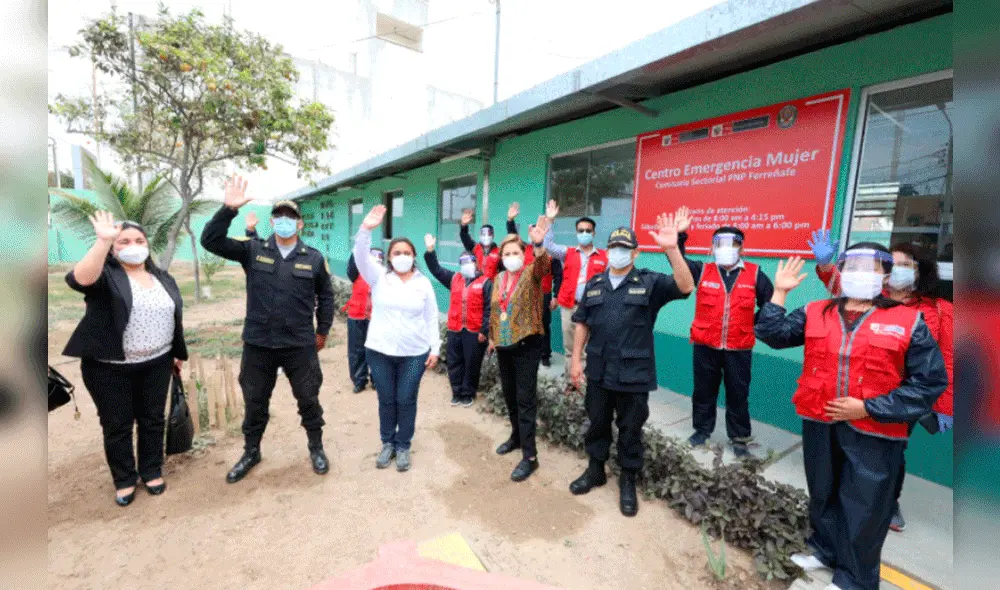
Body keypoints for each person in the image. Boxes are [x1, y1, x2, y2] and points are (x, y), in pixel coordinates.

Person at [754, 245, 947, 590]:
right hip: (820, 420)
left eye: (869, 266)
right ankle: (825, 550)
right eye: (852, 265)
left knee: (866, 505)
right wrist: (780, 292)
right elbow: (772, 334)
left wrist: (869, 407)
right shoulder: (817, 311)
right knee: (823, 492)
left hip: (875, 430)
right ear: (842, 271)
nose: (860, 272)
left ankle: (855, 579)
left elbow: (929, 382)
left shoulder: (908, 320)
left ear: (884, 275)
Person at [808, 230, 953, 532]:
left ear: (919, 270)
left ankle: (889, 502)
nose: (898, 269)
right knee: (859, 454)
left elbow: (947, 359)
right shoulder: (875, 299)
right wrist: (825, 266)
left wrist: (945, 404)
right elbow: (839, 289)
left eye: (906, 264)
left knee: (891, 452)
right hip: (867, 389)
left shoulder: (938, 309)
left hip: (905, 396)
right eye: (894, 262)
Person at [201, 175, 336, 483]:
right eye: (279, 217)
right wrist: (227, 210)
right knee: (256, 401)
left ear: (300, 224)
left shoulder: (313, 258)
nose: (284, 221)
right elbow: (210, 241)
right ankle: (251, 451)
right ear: (272, 222)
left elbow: (326, 297)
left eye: (291, 217)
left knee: (308, 398)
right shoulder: (253, 250)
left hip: (299, 344)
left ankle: (316, 447)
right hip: (259, 343)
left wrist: (323, 331)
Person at [568, 217, 694, 516]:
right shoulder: (595, 284)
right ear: (607, 249)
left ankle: (627, 481)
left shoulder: (649, 282)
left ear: (635, 253)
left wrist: (673, 250)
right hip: (598, 369)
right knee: (597, 423)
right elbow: (582, 322)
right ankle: (595, 470)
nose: (618, 252)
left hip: (633, 375)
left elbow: (686, 286)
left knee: (630, 429)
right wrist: (575, 359)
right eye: (613, 246)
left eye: (624, 248)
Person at [62, 212, 188, 506]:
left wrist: (175, 353)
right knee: (117, 425)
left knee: (153, 419)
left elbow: (173, 316)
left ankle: (152, 470)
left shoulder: (161, 277)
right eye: (125, 241)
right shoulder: (105, 276)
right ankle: (124, 479)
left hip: (157, 363)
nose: (133, 245)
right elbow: (79, 280)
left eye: (139, 240)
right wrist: (103, 242)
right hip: (109, 369)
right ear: (114, 248)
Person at [672, 207, 775, 457]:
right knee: (703, 390)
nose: (726, 248)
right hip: (705, 344)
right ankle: (701, 430)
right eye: (721, 243)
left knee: (738, 394)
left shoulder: (755, 273)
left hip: (739, 347)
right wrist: (680, 237)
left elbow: (771, 303)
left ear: (741, 247)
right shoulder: (703, 270)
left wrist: (754, 326)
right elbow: (679, 264)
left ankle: (739, 438)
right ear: (713, 246)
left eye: (733, 243)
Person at [353, 205, 441, 472]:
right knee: (386, 399)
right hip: (379, 351)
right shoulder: (379, 277)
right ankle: (387, 443)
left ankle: (403, 445)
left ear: (414, 256)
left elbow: (431, 317)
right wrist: (365, 230)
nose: (401, 256)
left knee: (406, 398)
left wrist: (435, 348)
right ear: (389, 257)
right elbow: (360, 256)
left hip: (414, 353)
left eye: (406, 252)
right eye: (396, 253)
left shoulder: (423, 283)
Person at [488, 218, 552, 482]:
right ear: (501, 257)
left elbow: (544, 265)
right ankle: (516, 437)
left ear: (523, 254)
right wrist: (493, 338)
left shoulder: (531, 273)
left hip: (527, 344)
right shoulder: (499, 278)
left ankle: (530, 457)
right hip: (504, 344)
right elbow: (495, 311)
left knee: (525, 401)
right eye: (507, 254)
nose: (511, 257)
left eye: (516, 252)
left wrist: (538, 243)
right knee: (510, 396)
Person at [541, 200, 609, 388]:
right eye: (581, 230)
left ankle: (584, 383)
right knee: (570, 348)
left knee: (588, 348)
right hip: (570, 306)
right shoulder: (567, 252)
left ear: (594, 233)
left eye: (588, 230)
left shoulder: (604, 257)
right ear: (576, 232)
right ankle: (571, 382)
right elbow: (548, 246)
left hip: (593, 309)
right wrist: (550, 221)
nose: (584, 233)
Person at [423, 236, 492, 407]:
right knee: (454, 362)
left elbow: (490, 309)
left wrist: (485, 331)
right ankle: (456, 391)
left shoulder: (485, 283)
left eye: (469, 261)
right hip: (455, 329)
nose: (466, 264)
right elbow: (436, 269)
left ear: (476, 263)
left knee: (472, 363)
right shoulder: (454, 279)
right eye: (462, 262)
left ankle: (468, 393)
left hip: (474, 331)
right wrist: (431, 250)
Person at [504, 201, 560, 367]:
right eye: (533, 232)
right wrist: (510, 220)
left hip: (543, 294)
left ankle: (545, 354)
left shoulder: (550, 254)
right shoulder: (524, 250)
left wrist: (556, 296)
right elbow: (512, 237)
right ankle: (522, 348)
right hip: (524, 293)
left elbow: (559, 276)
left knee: (543, 324)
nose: (535, 234)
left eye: (539, 231)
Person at [344, 248, 384, 393]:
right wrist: (356, 251)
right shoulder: (356, 274)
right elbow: (351, 267)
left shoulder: (384, 277)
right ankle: (359, 380)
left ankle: (377, 379)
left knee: (377, 350)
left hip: (377, 318)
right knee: (356, 350)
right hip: (356, 315)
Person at [459, 209, 501, 280]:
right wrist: (464, 225)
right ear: (480, 235)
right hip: (476, 285)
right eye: (483, 234)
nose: (486, 236)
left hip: (492, 287)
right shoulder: (474, 247)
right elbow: (464, 236)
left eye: (489, 234)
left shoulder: (499, 252)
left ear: (493, 236)